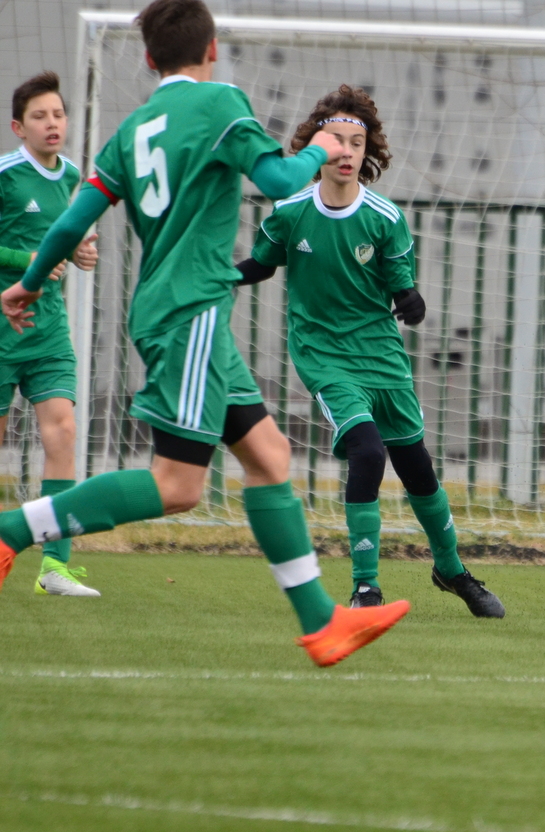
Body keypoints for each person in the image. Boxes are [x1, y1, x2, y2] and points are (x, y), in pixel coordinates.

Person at [0, 0, 409, 667]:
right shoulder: (221, 104)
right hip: (189, 313)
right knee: (177, 485)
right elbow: (278, 179)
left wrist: (31, 280)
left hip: (189, 316)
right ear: (211, 49)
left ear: (148, 58)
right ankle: (12, 529)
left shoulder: (129, 130)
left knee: (270, 457)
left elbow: (73, 221)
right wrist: (318, 150)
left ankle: (323, 624)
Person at [235, 85, 504, 617]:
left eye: (355, 141)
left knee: (418, 469)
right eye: (335, 138)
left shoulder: (384, 217)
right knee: (366, 451)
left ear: (366, 152)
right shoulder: (290, 212)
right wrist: (216, 277)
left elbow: (402, 286)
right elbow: (263, 264)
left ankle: (451, 570)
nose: (345, 150)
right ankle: (365, 587)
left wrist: (412, 299)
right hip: (324, 356)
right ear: (317, 146)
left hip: (382, 357)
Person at [0, 71, 100, 596]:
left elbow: (76, 243)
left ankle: (55, 566)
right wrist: (29, 260)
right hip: (1, 326)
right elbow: (32, 253)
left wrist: (82, 253)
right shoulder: (5, 175)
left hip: (49, 329)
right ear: (20, 127)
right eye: (40, 116)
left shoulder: (74, 178)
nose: (52, 123)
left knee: (61, 433)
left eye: (58, 114)